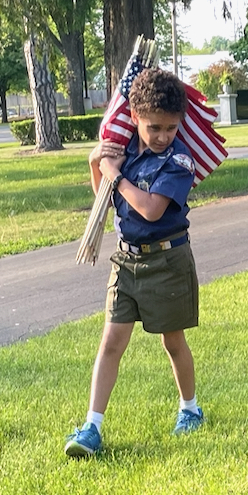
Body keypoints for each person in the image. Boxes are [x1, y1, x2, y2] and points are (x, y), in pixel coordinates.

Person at [65, 68, 204, 458]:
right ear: (134, 117)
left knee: (172, 341)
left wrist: (116, 174)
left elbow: (150, 210)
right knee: (111, 341)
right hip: (126, 260)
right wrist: (98, 165)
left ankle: (190, 409)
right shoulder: (124, 152)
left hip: (167, 260)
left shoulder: (179, 160)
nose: (162, 136)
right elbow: (106, 198)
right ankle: (92, 425)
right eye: (154, 127)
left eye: (171, 128)